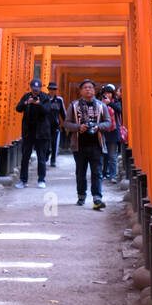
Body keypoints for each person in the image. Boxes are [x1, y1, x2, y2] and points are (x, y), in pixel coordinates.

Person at [61, 79, 111, 209]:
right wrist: (79, 127)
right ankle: (81, 196)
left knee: (97, 172)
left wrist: (98, 127)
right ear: (81, 91)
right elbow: (66, 123)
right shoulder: (74, 106)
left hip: (96, 144)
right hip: (79, 145)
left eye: (90, 87)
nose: (88, 89)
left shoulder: (101, 106)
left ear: (94, 91)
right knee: (81, 172)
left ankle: (97, 198)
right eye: (85, 87)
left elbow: (108, 123)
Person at [14, 78, 52, 188]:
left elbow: (47, 111)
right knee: (25, 157)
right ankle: (23, 180)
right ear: (31, 88)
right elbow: (18, 108)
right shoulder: (26, 97)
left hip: (41, 132)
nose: (35, 91)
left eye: (37, 89)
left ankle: (41, 180)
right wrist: (27, 103)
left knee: (41, 157)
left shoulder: (45, 97)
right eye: (34, 89)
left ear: (40, 88)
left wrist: (38, 104)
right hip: (28, 132)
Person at [100, 84, 120, 180]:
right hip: (102, 132)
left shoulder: (115, 102)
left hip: (113, 131)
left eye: (109, 93)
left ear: (112, 94)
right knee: (103, 155)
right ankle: (103, 173)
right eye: (105, 93)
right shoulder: (99, 103)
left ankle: (112, 175)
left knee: (112, 155)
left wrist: (109, 103)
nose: (107, 95)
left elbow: (119, 110)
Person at [45, 82, 65, 167]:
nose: (52, 91)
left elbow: (63, 113)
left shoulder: (59, 100)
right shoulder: (44, 98)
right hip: (44, 125)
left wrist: (67, 123)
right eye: (50, 89)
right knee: (46, 142)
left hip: (55, 125)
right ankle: (46, 154)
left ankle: (53, 160)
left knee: (54, 143)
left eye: (54, 89)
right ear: (48, 89)